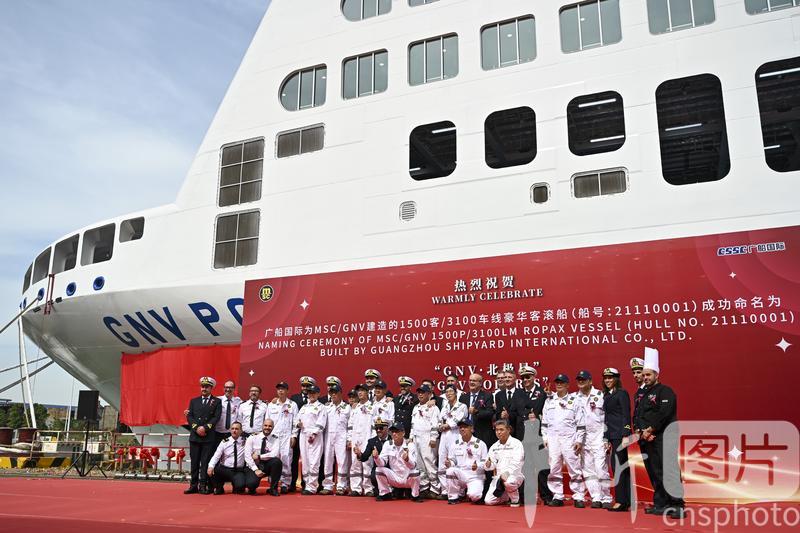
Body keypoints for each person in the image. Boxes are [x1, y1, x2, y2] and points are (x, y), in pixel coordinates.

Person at [635, 348, 685, 518]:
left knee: (669, 470)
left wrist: (651, 429)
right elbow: (639, 415)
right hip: (647, 438)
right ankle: (661, 503)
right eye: (644, 375)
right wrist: (642, 431)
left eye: (649, 374)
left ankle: (677, 505)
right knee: (654, 471)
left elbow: (664, 412)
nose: (646, 377)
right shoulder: (642, 394)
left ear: (656, 375)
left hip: (664, 436)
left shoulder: (666, 391)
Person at [541, 373, 587, 507]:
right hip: (553, 438)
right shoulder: (549, 400)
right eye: (557, 382)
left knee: (574, 468)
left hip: (569, 438)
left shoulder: (574, 400)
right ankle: (557, 496)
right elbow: (544, 422)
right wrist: (545, 438)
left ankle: (578, 497)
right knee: (554, 467)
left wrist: (579, 440)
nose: (559, 384)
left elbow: (580, 422)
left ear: (567, 384)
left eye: (562, 382)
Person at [510, 365, 552, 504]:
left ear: (534, 377)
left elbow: (544, 412)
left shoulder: (542, 392)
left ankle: (546, 497)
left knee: (541, 467)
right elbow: (514, 411)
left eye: (528, 377)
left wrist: (532, 414)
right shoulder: (518, 393)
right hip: (522, 435)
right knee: (525, 467)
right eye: (523, 378)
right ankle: (525, 497)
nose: (525, 380)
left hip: (538, 435)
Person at [575, 370, 611, 509]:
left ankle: (606, 496)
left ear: (590, 381)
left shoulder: (601, 395)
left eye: (583, 379)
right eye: (579, 379)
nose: (581, 381)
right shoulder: (575, 398)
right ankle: (596, 497)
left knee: (601, 469)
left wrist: (606, 438)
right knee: (588, 470)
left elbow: (608, 417)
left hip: (599, 436)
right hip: (584, 438)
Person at [185, 376, 222, 494]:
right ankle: (193, 485)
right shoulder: (193, 401)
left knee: (205, 462)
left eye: (207, 387)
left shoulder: (216, 401)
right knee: (194, 462)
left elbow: (216, 417)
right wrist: (196, 428)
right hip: (195, 437)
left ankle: (203, 485)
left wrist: (205, 428)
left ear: (211, 388)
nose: (204, 389)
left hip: (208, 436)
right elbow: (189, 416)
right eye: (202, 386)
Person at [602, 367, 632, 512]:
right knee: (619, 467)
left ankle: (621, 501)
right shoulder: (606, 395)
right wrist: (606, 438)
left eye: (610, 377)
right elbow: (606, 419)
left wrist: (626, 434)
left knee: (619, 467)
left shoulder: (622, 393)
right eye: (606, 377)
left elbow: (626, 414)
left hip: (620, 435)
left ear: (616, 379)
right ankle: (626, 500)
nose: (607, 380)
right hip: (612, 435)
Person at [374, 422, 424, 502]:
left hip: (407, 477)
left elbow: (413, 466)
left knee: (415, 472)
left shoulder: (410, 445)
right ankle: (384, 493)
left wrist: (407, 460)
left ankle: (415, 495)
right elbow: (382, 463)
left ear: (403, 433)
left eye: (397, 431)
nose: (394, 434)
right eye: (392, 432)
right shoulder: (388, 444)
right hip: (395, 477)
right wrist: (376, 457)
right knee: (378, 469)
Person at [445, 419, 488, 504]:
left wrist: (478, 466)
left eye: (465, 427)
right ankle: (453, 497)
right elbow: (453, 461)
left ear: (471, 429)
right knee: (450, 470)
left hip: (475, 476)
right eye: (460, 427)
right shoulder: (455, 444)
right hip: (461, 474)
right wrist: (449, 463)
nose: (462, 429)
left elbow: (485, 463)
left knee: (475, 496)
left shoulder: (481, 444)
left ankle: (466, 493)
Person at [266, 381, 298, 493]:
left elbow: (295, 422)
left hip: (286, 436)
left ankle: (285, 483)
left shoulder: (292, 405)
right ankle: (273, 483)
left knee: (286, 459)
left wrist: (294, 436)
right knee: (273, 458)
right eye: (279, 389)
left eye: (283, 389)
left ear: (287, 391)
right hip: (273, 437)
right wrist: (267, 437)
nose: (280, 391)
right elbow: (267, 421)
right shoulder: (272, 405)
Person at [484, 419, 525, 507]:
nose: (498, 432)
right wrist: (488, 465)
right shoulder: (494, 446)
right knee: (488, 501)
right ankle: (505, 496)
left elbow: (517, 463)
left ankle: (515, 499)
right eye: (497, 430)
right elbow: (490, 465)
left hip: (515, 475)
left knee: (509, 482)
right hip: (499, 478)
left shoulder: (516, 444)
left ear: (508, 430)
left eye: (501, 429)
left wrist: (507, 473)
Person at [410, 383, 441, 498]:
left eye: (423, 392)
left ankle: (435, 488)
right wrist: (411, 437)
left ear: (429, 394)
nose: (420, 394)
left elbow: (435, 424)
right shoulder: (416, 407)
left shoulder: (434, 407)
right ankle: (424, 487)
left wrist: (433, 437)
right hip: (417, 437)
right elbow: (413, 424)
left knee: (429, 462)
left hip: (428, 438)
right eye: (419, 392)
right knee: (419, 464)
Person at [437, 385, 468, 497]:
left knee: (454, 460)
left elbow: (457, 421)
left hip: (455, 435)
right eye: (447, 392)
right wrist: (440, 426)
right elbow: (440, 419)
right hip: (444, 436)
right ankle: (445, 489)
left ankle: (458, 491)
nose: (449, 394)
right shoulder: (444, 406)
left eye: (451, 391)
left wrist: (447, 425)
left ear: (456, 393)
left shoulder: (462, 406)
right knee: (442, 460)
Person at [296, 384, 326, 495]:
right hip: (303, 435)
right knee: (305, 461)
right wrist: (298, 424)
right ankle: (307, 484)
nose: (311, 395)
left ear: (318, 394)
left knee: (314, 462)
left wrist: (314, 434)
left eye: (314, 393)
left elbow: (321, 423)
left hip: (315, 437)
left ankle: (312, 487)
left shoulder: (321, 407)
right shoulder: (304, 407)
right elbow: (296, 419)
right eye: (310, 393)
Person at [322, 383, 351, 495]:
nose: (333, 395)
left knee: (342, 461)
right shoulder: (326, 407)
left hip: (341, 436)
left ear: (340, 393)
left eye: (335, 393)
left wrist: (348, 439)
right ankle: (328, 485)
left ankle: (341, 486)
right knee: (328, 461)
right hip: (328, 436)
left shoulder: (347, 407)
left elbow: (350, 424)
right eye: (331, 393)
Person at [347, 383, 374, 496]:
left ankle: (368, 488)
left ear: (367, 392)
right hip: (355, 438)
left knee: (367, 462)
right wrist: (349, 438)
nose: (360, 393)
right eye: (359, 391)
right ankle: (356, 488)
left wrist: (373, 440)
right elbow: (350, 424)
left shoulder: (372, 406)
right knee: (355, 462)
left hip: (367, 437)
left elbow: (374, 425)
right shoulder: (355, 407)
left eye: (363, 391)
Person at [289, 376, 315, 492]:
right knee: (294, 459)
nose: (305, 388)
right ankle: (292, 483)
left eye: (308, 386)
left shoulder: (315, 399)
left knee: (310, 459)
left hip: (310, 435)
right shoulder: (294, 398)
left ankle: (308, 484)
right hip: (296, 434)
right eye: (303, 385)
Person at [207, 421, 247, 495]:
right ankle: (219, 487)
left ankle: (236, 486)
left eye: (237, 429)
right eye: (232, 429)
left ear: (241, 431)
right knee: (213, 469)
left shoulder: (245, 441)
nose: (234, 431)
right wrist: (210, 466)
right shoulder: (224, 442)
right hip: (225, 470)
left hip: (238, 471)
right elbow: (216, 456)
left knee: (240, 488)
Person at [244, 419, 282, 496]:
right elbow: (247, 456)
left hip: (267, 465)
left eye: (270, 426)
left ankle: (273, 489)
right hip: (254, 466)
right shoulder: (252, 437)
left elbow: (274, 454)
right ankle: (252, 488)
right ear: (262, 426)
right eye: (265, 425)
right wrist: (256, 469)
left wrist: (259, 456)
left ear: (273, 427)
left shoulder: (276, 439)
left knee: (277, 462)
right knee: (251, 484)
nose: (267, 427)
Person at [354, 417, 390, 496]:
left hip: (392, 468)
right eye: (376, 428)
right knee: (373, 476)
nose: (378, 430)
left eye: (381, 428)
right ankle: (379, 489)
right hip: (379, 469)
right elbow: (365, 457)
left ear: (387, 428)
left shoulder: (393, 440)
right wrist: (359, 454)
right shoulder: (372, 441)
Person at [459, 373, 495, 446]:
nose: (471, 382)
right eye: (470, 380)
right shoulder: (463, 397)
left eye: (474, 381)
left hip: (482, 432)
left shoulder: (487, 396)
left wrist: (476, 411)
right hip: (466, 432)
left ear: (480, 383)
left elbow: (490, 413)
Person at [214, 381, 241, 448]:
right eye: (226, 387)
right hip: (217, 433)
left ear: (234, 389)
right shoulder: (217, 400)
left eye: (231, 387)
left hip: (231, 434)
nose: (228, 389)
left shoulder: (239, 401)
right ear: (223, 388)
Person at [495, 369, 522, 434]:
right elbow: (498, 414)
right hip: (504, 431)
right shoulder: (498, 395)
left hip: (518, 430)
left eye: (509, 377)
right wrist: (501, 415)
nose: (507, 379)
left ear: (515, 379)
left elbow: (522, 414)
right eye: (505, 377)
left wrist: (509, 415)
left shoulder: (522, 393)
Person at [630, 357, 646, 430]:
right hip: (640, 431)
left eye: (638, 372)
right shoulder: (638, 392)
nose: (635, 375)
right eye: (634, 373)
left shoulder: (650, 390)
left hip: (648, 431)